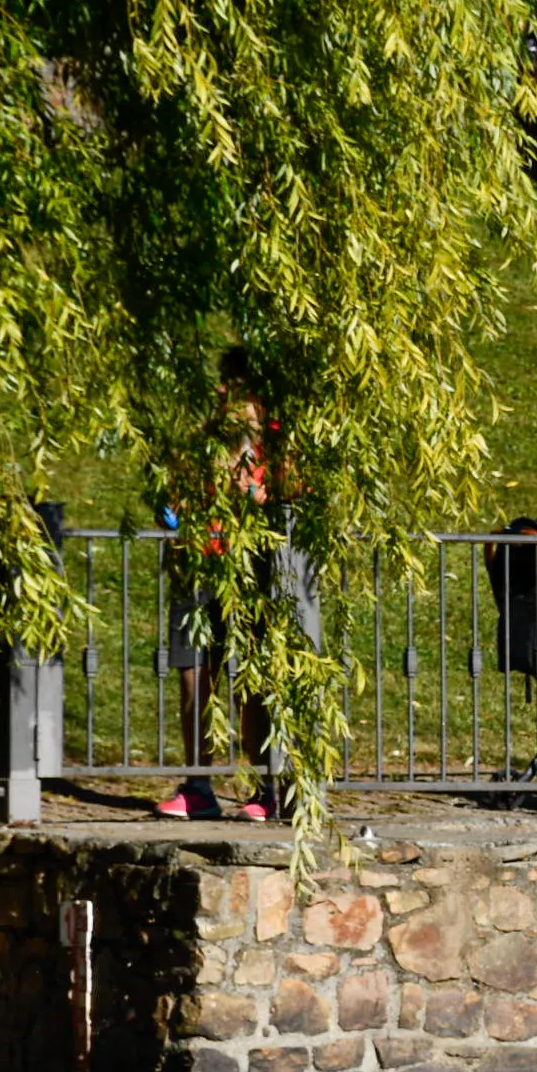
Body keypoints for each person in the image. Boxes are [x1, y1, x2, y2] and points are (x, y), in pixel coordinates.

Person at [158, 349, 311, 822]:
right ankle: (198, 786)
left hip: (253, 575)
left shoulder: (278, 444)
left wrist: (262, 493)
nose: (227, 397)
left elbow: (298, 491)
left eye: (237, 389)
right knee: (194, 680)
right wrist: (171, 509)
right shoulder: (203, 440)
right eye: (224, 388)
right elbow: (172, 494)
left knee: (251, 689)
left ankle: (270, 788)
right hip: (199, 570)